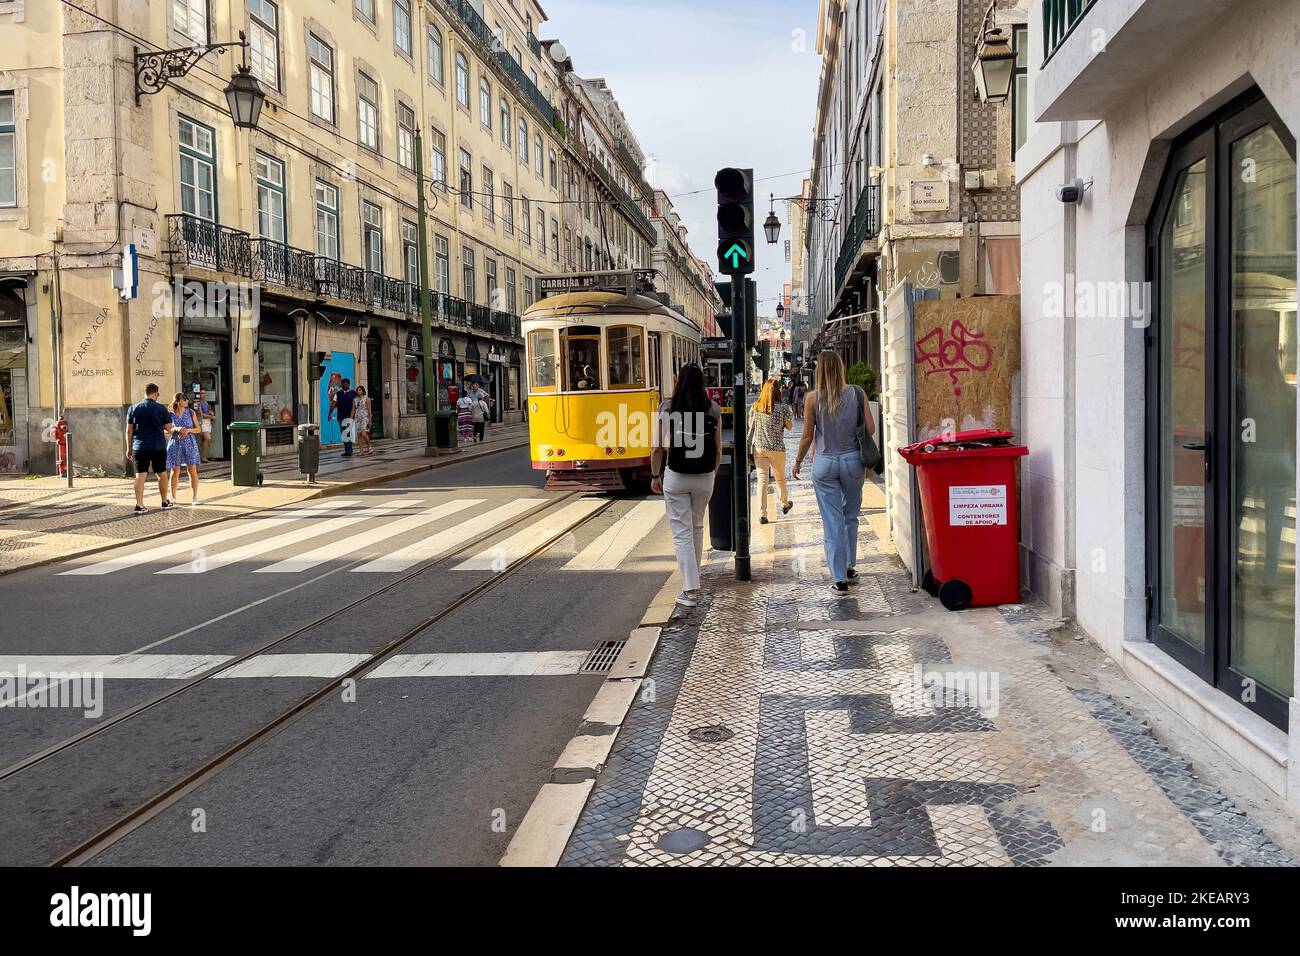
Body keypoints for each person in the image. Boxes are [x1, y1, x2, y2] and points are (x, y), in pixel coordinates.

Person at [791, 351, 873, 593]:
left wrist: (797, 462)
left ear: (819, 372)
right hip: (852, 461)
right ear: (841, 368)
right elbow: (870, 427)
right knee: (851, 515)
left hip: (825, 462)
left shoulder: (812, 398)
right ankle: (849, 565)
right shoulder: (857, 393)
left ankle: (839, 578)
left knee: (832, 520)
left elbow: (807, 436)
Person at [650, 363, 722, 609]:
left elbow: (657, 447)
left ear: (678, 381)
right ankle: (694, 579)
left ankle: (690, 590)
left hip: (677, 475)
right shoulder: (712, 408)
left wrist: (654, 475)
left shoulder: (667, 407)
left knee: (682, 532)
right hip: (704, 476)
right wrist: (713, 471)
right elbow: (718, 445)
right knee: (697, 526)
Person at [748, 377, 794, 525]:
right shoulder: (783, 408)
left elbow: (750, 425)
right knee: (780, 478)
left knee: (762, 480)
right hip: (777, 449)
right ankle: (785, 503)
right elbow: (789, 426)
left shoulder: (756, 406)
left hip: (760, 448)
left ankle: (762, 514)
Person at [124, 382, 174, 514]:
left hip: (139, 446)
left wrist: (129, 448)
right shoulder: (161, 408)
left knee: (140, 476)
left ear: (144, 393)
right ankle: (164, 501)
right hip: (158, 446)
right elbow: (169, 429)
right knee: (162, 474)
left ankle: (139, 505)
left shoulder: (133, 408)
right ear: (156, 393)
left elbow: (129, 431)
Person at [166, 392, 203, 506]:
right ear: (177, 401)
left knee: (192, 470)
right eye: (184, 399)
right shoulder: (170, 415)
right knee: (174, 471)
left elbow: (198, 429)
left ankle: (195, 497)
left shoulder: (191, 412)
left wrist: (188, 430)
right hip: (175, 444)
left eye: (187, 399)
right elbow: (165, 430)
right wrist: (176, 428)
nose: (187, 401)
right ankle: (173, 497)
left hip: (189, 444)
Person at [332, 378, 357, 457]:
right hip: (341, 416)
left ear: (349, 384)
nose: (345, 385)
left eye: (346, 384)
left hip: (349, 416)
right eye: (344, 384)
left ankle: (349, 451)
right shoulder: (338, 394)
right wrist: (330, 413)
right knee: (343, 434)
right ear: (341, 385)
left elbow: (357, 403)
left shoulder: (353, 393)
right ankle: (347, 450)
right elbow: (333, 403)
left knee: (347, 433)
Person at [194, 387, 215, 461]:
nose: (203, 395)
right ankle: (202, 457)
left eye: (204, 393)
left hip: (207, 423)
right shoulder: (197, 403)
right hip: (200, 422)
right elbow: (200, 414)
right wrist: (211, 416)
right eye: (201, 393)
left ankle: (203, 456)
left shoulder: (206, 403)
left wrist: (211, 414)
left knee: (207, 439)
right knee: (206, 438)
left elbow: (210, 411)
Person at [353, 385, 373, 456]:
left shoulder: (367, 399)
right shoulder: (355, 399)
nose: (358, 391)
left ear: (363, 391)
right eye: (357, 390)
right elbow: (353, 410)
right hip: (357, 418)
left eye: (360, 390)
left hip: (365, 417)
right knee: (359, 435)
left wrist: (370, 421)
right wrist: (350, 418)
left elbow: (369, 410)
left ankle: (369, 446)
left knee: (363, 433)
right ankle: (361, 451)